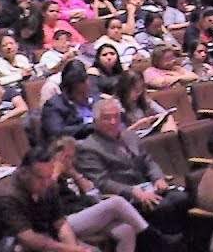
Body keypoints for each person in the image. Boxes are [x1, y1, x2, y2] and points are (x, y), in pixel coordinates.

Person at [74, 98, 191, 235]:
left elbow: (148, 161)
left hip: (149, 187)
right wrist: (134, 192)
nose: (113, 122)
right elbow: (102, 182)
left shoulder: (129, 135)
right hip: (126, 197)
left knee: (184, 199)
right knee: (164, 207)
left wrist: (158, 178)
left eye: (116, 116)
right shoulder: (88, 148)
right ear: (95, 122)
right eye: (107, 118)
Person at [49, 137, 159, 252]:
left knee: (126, 231)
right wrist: (55, 173)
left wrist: (74, 174)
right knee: (117, 202)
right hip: (63, 222)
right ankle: (153, 237)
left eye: (71, 157)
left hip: (82, 213)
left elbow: (90, 192)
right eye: (65, 157)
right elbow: (45, 198)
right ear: (54, 155)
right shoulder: (46, 175)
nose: (68, 161)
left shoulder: (70, 173)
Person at [0, 147, 99, 252]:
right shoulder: (7, 196)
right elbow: (27, 238)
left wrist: (72, 248)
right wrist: (67, 249)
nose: (46, 183)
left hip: (50, 238)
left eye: (49, 176)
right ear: (24, 173)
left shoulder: (49, 185)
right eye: (40, 178)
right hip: (21, 245)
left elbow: (60, 223)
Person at [41, 66, 98, 141]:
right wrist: (91, 127)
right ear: (68, 92)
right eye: (81, 93)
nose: (86, 96)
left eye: (88, 91)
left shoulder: (93, 99)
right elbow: (57, 133)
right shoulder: (53, 106)